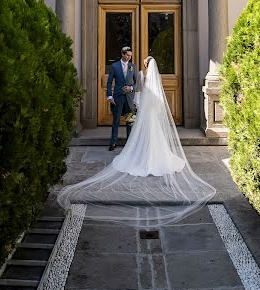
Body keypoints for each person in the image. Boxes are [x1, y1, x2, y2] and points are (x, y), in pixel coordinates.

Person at [58, 57, 216, 227]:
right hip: (152, 112)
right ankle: (156, 154)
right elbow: (158, 97)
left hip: (144, 110)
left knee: (141, 135)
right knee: (155, 135)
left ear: (146, 65)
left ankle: (142, 154)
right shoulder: (155, 77)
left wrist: (136, 105)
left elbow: (139, 93)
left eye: (144, 63)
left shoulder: (142, 75)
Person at [106, 46, 138, 151]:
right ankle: (113, 142)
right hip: (117, 98)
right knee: (116, 121)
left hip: (129, 99)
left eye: (130, 56)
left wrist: (131, 88)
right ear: (122, 54)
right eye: (127, 55)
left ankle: (130, 143)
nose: (129, 57)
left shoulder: (132, 66)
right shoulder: (114, 66)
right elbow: (109, 82)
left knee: (130, 121)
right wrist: (110, 96)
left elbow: (137, 84)